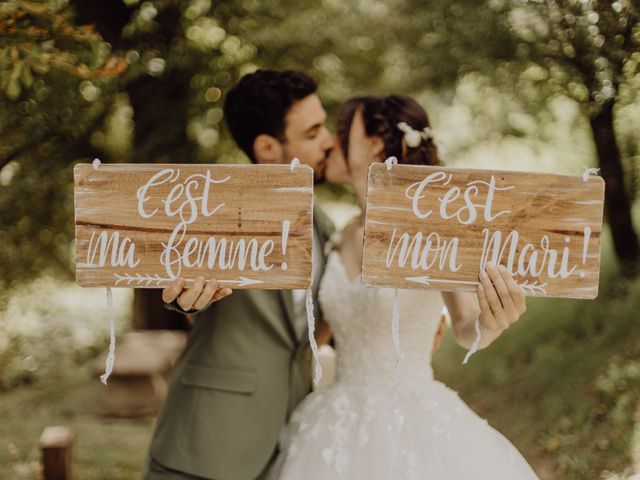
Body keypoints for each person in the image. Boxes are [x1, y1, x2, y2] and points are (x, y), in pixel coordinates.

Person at [269, 95, 539, 479]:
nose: (330, 141)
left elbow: (466, 324)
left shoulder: (429, 228)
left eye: (344, 132)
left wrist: (491, 322)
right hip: (335, 421)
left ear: (376, 144)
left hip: (410, 417)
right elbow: (322, 331)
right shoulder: (342, 234)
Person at [143, 70, 336, 480]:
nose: (329, 140)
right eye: (313, 131)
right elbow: (179, 282)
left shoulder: (325, 226)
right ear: (268, 147)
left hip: (289, 445)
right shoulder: (214, 211)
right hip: (206, 445)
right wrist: (182, 294)